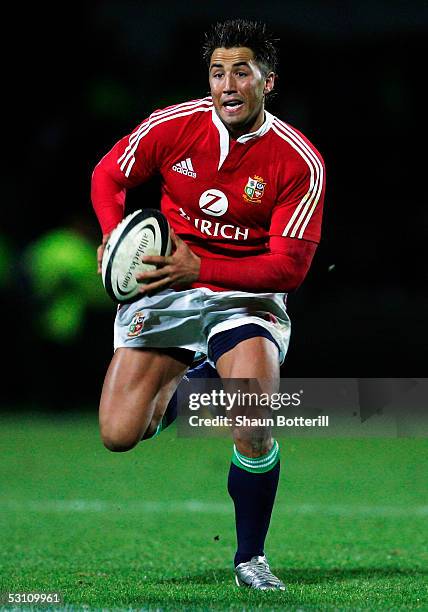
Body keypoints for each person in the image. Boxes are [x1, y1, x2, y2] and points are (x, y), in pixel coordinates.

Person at [91, 18, 325, 591]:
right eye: (218, 71)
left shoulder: (298, 162)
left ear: (267, 82)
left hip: (247, 297)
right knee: (121, 433)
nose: (226, 83)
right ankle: (196, 376)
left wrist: (206, 269)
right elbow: (107, 175)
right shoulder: (174, 126)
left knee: (250, 422)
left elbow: (289, 267)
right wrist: (111, 234)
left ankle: (250, 558)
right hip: (171, 288)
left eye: (241, 71)